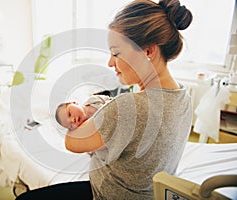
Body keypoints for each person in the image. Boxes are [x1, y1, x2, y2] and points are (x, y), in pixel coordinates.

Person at [16, 0, 193, 199]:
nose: (110, 63)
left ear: (148, 51)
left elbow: (72, 142)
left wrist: (91, 117)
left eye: (116, 53)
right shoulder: (184, 98)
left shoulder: (128, 108)